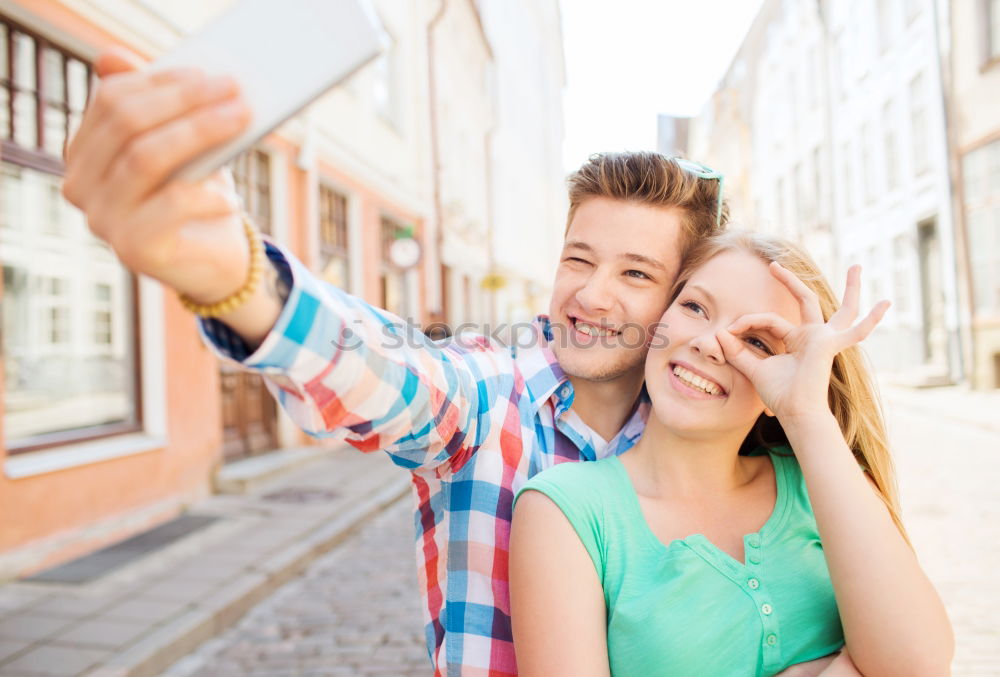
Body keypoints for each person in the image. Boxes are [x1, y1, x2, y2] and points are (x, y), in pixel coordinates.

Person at [61, 49, 846, 675]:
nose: (591, 294)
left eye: (635, 274)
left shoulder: (711, 421)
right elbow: (390, 373)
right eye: (579, 258)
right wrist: (235, 277)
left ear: (680, 298)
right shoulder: (487, 392)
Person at [510, 231, 954, 677]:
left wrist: (805, 414)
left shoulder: (826, 481)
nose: (708, 343)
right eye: (695, 308)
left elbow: (918, 666)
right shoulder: (565, 510)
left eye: (758, 342)